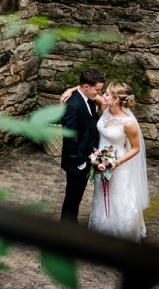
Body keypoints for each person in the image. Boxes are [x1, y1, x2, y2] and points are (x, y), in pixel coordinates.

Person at [61, 81, 150, 241]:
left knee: (119, 197)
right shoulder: (105, 106)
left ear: (116, 99)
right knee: (100, 195)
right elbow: (86, 88)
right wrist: (71, 88)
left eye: (107, 93)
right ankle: (101, 230)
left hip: (118, 163)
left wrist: (115, 162)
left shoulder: (129, 123)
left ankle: (122, 234)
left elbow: (135, 148)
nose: (103, 95)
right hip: (99, 162)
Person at [59, 69, 106, 224]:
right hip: (77, 162)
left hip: (86, 157)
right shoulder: (73, 106)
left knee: (76, 196)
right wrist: (81, 162)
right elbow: (69, 137)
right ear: (86, 86)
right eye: (97, 89)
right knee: (72, 196)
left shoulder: (86, 99)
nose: (99, 93)